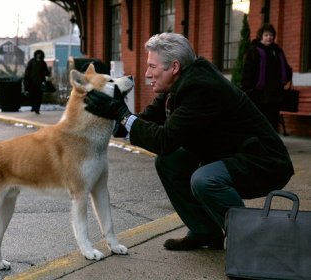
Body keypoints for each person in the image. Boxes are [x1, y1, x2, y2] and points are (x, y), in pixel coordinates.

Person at [84, 32, 294, 251]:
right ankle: (205, 231)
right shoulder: (180, 82)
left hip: (263, 161)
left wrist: (122, 114)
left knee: (204, 180)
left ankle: (251, 244)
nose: (147, 74)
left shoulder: (202, 88)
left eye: (152, 67)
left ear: (173, 67)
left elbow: (164, 140)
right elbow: (148, 119)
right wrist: (113, 118)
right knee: (168, 162)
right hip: (231, 153)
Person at [241, 23, 292, 131]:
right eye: (266, 35)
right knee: (261, 119)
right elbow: (248, 70)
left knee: (273, 120)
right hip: (259, 94)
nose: (269, 37)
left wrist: (288, 77)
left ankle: (272, 141)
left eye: (271, 35)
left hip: (275, 93)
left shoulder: (277, 51)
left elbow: (286, 67)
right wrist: (247, 87)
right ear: (261, 36)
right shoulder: (254, 50)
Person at [24, 49, 50, 114]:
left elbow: (47, 72)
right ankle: (33, 106)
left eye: (40, 54)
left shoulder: (43, 63)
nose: (39, 55)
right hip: (31, 82)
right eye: (38, 54)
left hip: (40, 83)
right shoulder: (31, 62)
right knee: (31, 95)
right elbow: (27, 71)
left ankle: (37, 109)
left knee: (38, 97)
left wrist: (46, 74)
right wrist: (26, 79)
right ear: (35, 55)